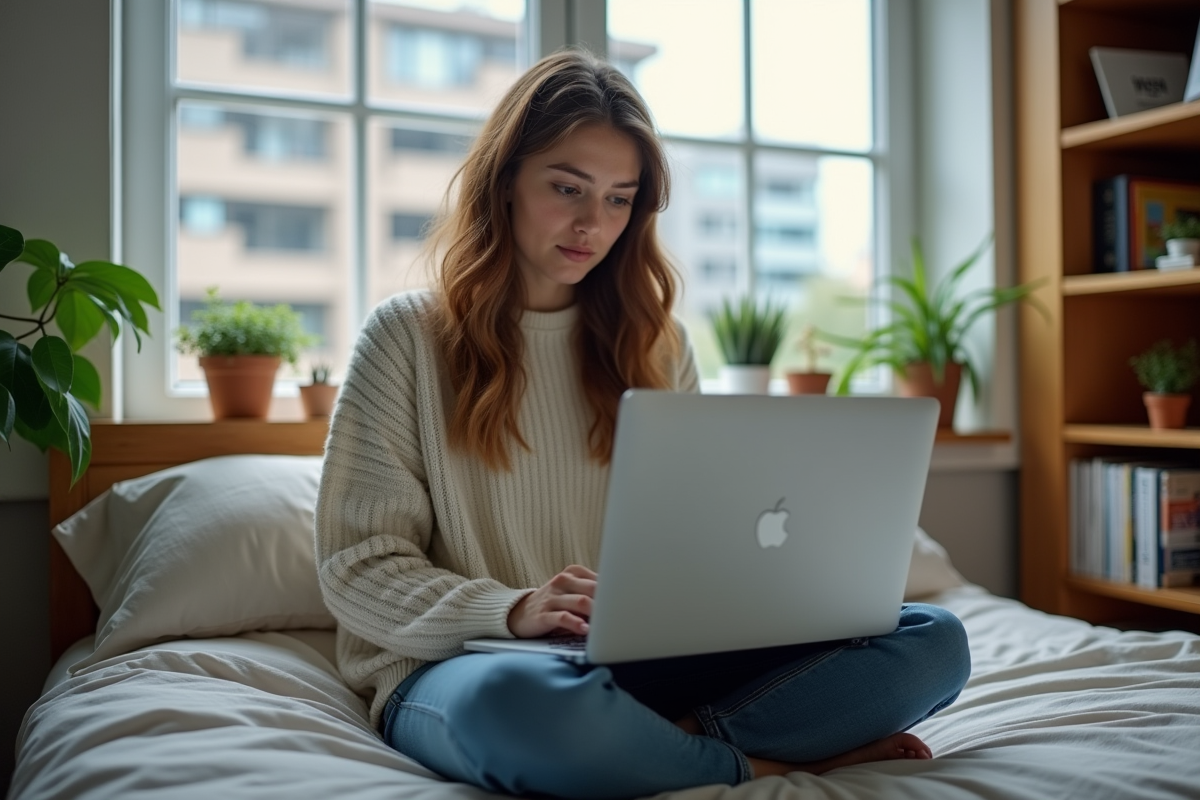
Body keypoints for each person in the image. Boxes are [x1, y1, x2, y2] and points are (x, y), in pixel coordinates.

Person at [315, 49, 971, 800]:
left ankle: (664, 743)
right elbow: (356, 567)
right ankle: (765, 761)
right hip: (472, 663)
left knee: (934, 641)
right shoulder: (405, 338)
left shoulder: (658, 345)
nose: (593, 223)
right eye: (568, 188)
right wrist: (514, 609)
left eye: (620, 199)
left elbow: (700, 541)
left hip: (644, 664)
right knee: (518, 708)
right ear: (504, 181)